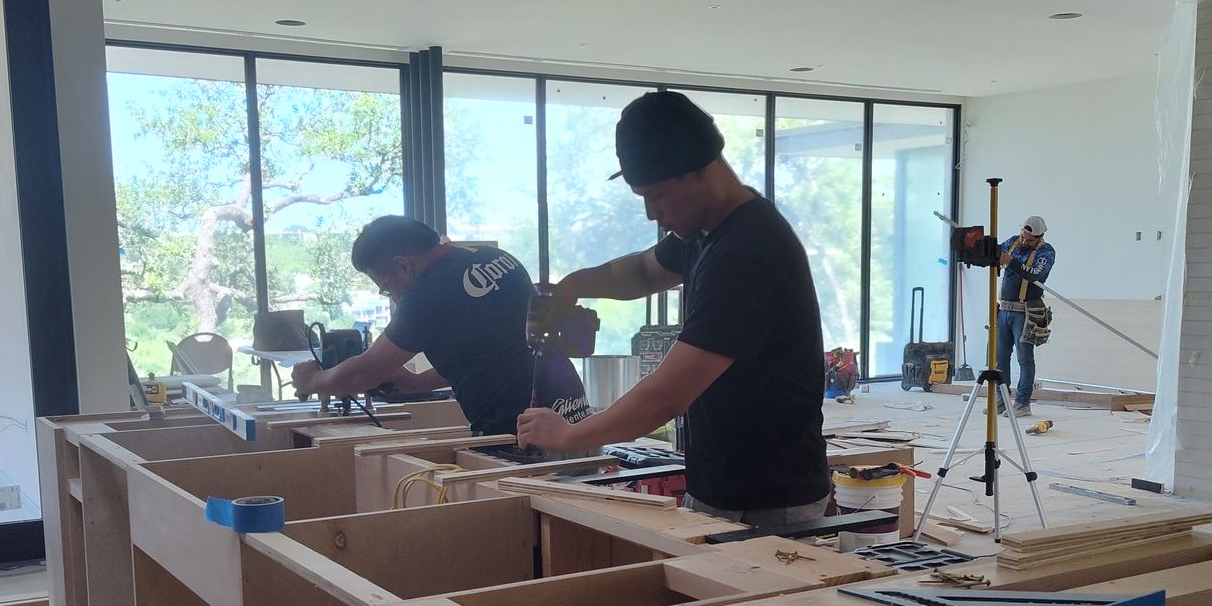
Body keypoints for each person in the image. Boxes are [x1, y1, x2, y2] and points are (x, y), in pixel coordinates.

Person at [515, 90, 830, 531]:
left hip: (767, 499)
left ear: (700, 169)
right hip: (722, 484)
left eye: (658, 196)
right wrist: (574, 285)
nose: (651, 214)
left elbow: (666, 394)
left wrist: (568, 434)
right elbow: (643, 271)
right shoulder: (706, 231)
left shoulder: (748, 250)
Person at [290, 216, 589, 437]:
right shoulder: (495, 257)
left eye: (385, 287)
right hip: (574, 421)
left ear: (403, 266)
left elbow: (362, 373)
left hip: (523, 440)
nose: (392, 297)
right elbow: (493, 351)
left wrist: (312, 380)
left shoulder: (427, 294)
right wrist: (416, 382)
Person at [996, 214, 1054, 417]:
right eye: (1023, 236)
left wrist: (1010, 261)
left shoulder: (1046, 252)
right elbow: (997, 253)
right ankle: (1001, 400)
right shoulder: (1012, 241)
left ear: (1040, 237)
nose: (1024, 241)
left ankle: (1022, 402)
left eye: (1029, 240)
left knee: (1024, 358)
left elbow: (1034, 274)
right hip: (1003, 309)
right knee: (1000, 359)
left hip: (1025, 312)